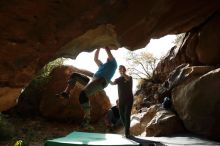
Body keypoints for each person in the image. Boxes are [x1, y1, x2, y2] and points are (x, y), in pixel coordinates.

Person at [57, 47, 117, 128]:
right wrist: (98, 47)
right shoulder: (102, 65)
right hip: (93, 80)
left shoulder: (113, 64)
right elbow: (96, 58)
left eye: (109, 58)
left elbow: (108, 51)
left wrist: (104, 45)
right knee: (75, 75)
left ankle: (87, 118)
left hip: (100, 81)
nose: (107, 58)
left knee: (83, 95)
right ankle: (66, 93)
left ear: (111, 58)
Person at [111, 65, 134, 138]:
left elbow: (127, 79)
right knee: (122, 115)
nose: (120, 70)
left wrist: (123, 73)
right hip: (121, 100)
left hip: (129, 99)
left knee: (127, 115)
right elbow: (112, 83)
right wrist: (106, 78)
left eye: (122, 69)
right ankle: (127, 130)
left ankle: (127, 133)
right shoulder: (118, 79)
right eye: (119, 69)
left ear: (124, 69)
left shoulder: (129, 78)